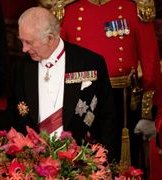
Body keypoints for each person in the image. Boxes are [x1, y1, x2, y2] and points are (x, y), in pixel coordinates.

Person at [0, 6, 117, 161]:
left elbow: (107, 116)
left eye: (29, 42)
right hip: (33, 163)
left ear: (50, 39)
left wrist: (106, 162)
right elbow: (14, 116)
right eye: (22, 41)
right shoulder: (21, 68)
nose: (24, 49)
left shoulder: (90, 62)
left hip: (80, 162)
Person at [56, 0, 162, 173]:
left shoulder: (132, 8)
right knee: (83, 161)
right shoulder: (68, 10)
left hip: (123, 101)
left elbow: (150, 65)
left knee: (124, 163)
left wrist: (148, 114)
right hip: (83, 98)